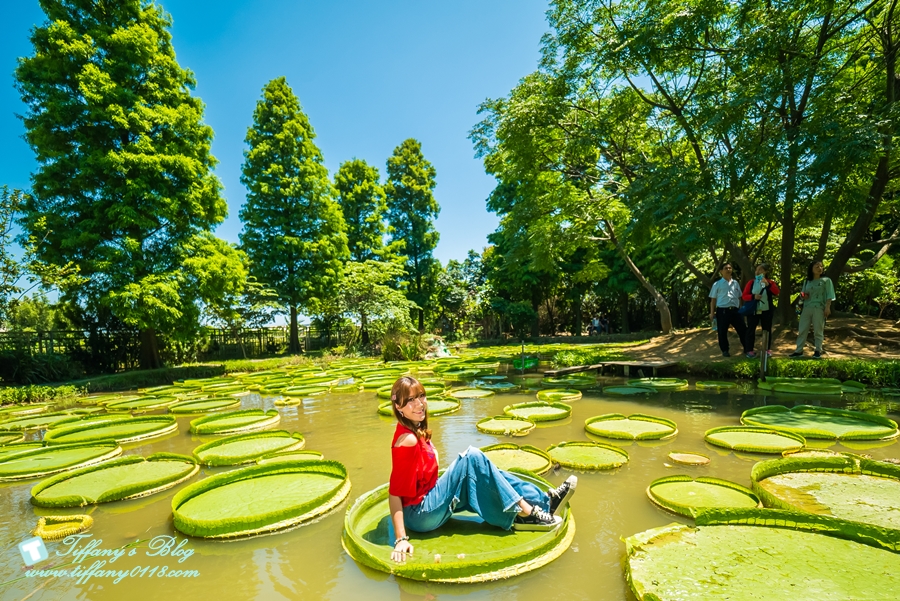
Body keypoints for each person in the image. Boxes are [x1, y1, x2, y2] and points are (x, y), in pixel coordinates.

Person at [387, 376, 577, 563]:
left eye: (421, 396)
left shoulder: (416, 429)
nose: (419, 403)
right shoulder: (408, 440)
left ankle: (545, 502)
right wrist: (401, 539)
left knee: (488, 473)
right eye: (410, 400)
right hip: (420, 514)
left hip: (429, 500)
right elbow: (394, 493)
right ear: (398, 407)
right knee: (472, 457)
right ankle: (526, 511)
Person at [790, 260, 835, 359]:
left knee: (818, 330)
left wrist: (827, 307)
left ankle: (818, 350)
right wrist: (804, 296)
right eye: (817, 266)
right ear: (811, 269)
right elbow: (802, 294)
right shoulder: (807, 281)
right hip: (806, 307)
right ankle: (799, 351)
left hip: (819, 308)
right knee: (802, 329)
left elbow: (829, 295)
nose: (819, 268)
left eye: (821, 266)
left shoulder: (826, 280)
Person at [709, 262, 749, 357]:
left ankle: (747, 348)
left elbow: (740, 297)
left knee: (743, 330)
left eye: (730, 268)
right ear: (721, 271)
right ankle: (725, 350)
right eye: (726, 268)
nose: (728, 270)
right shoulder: (717, 284)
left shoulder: (735, 283)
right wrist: (712, 313)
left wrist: (742, 310)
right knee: (722, 331)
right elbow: (713, 300)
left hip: (735, 310)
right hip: (722, 311)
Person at [742, 263, 780, 358]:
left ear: (766, 272)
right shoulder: (751, 282)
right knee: (751, 329)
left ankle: (766, 349)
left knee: (766, 329)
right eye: (757, 270)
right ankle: (749, 350)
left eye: (760, 270)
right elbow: (744, 296)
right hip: (754, 310)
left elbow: (776, 292)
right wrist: (753, 297)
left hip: (766, 310)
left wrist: (768, 285)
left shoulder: (770, 282)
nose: (758, 272)